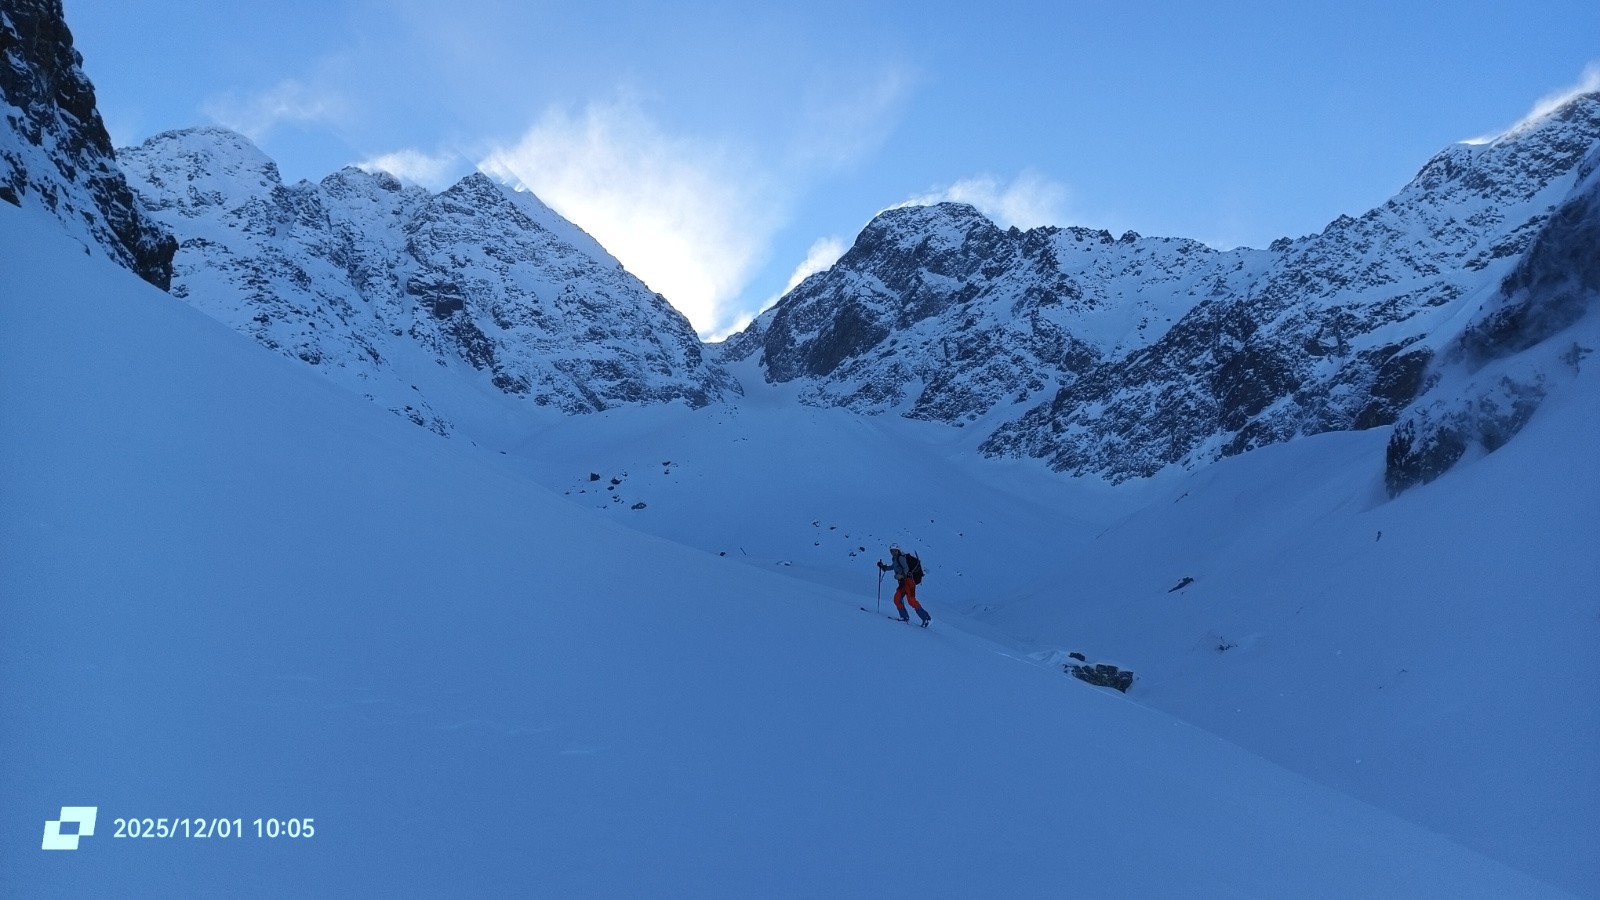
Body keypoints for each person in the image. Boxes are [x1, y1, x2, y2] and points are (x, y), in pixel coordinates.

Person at [877, 544, 931, 626]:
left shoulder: (901, 558)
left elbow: (906, 569)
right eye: (892, 551)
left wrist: (901, 576)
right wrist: (883, 567)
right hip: (903, 583)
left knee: (911, 601)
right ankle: (904, 617)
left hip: (909, 582)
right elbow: (893, 567)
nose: (893, 552)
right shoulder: (895, 558)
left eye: (895, 550)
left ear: (898, 551)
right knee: (897, 599)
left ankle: (926, 618)